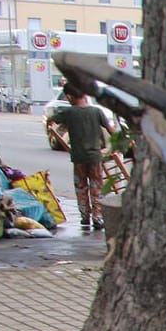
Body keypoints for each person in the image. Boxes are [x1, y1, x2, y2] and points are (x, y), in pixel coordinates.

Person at [50, 89, 113, 231]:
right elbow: (111, 129)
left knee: (81, 187)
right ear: (85, 94)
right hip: (95, 157)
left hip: (78, 158)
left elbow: (53, 119)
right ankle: (98, 218)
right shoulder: (96, 112)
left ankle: (85, 217)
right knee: (96, 187)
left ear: (69, 96)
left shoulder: (69, 112)